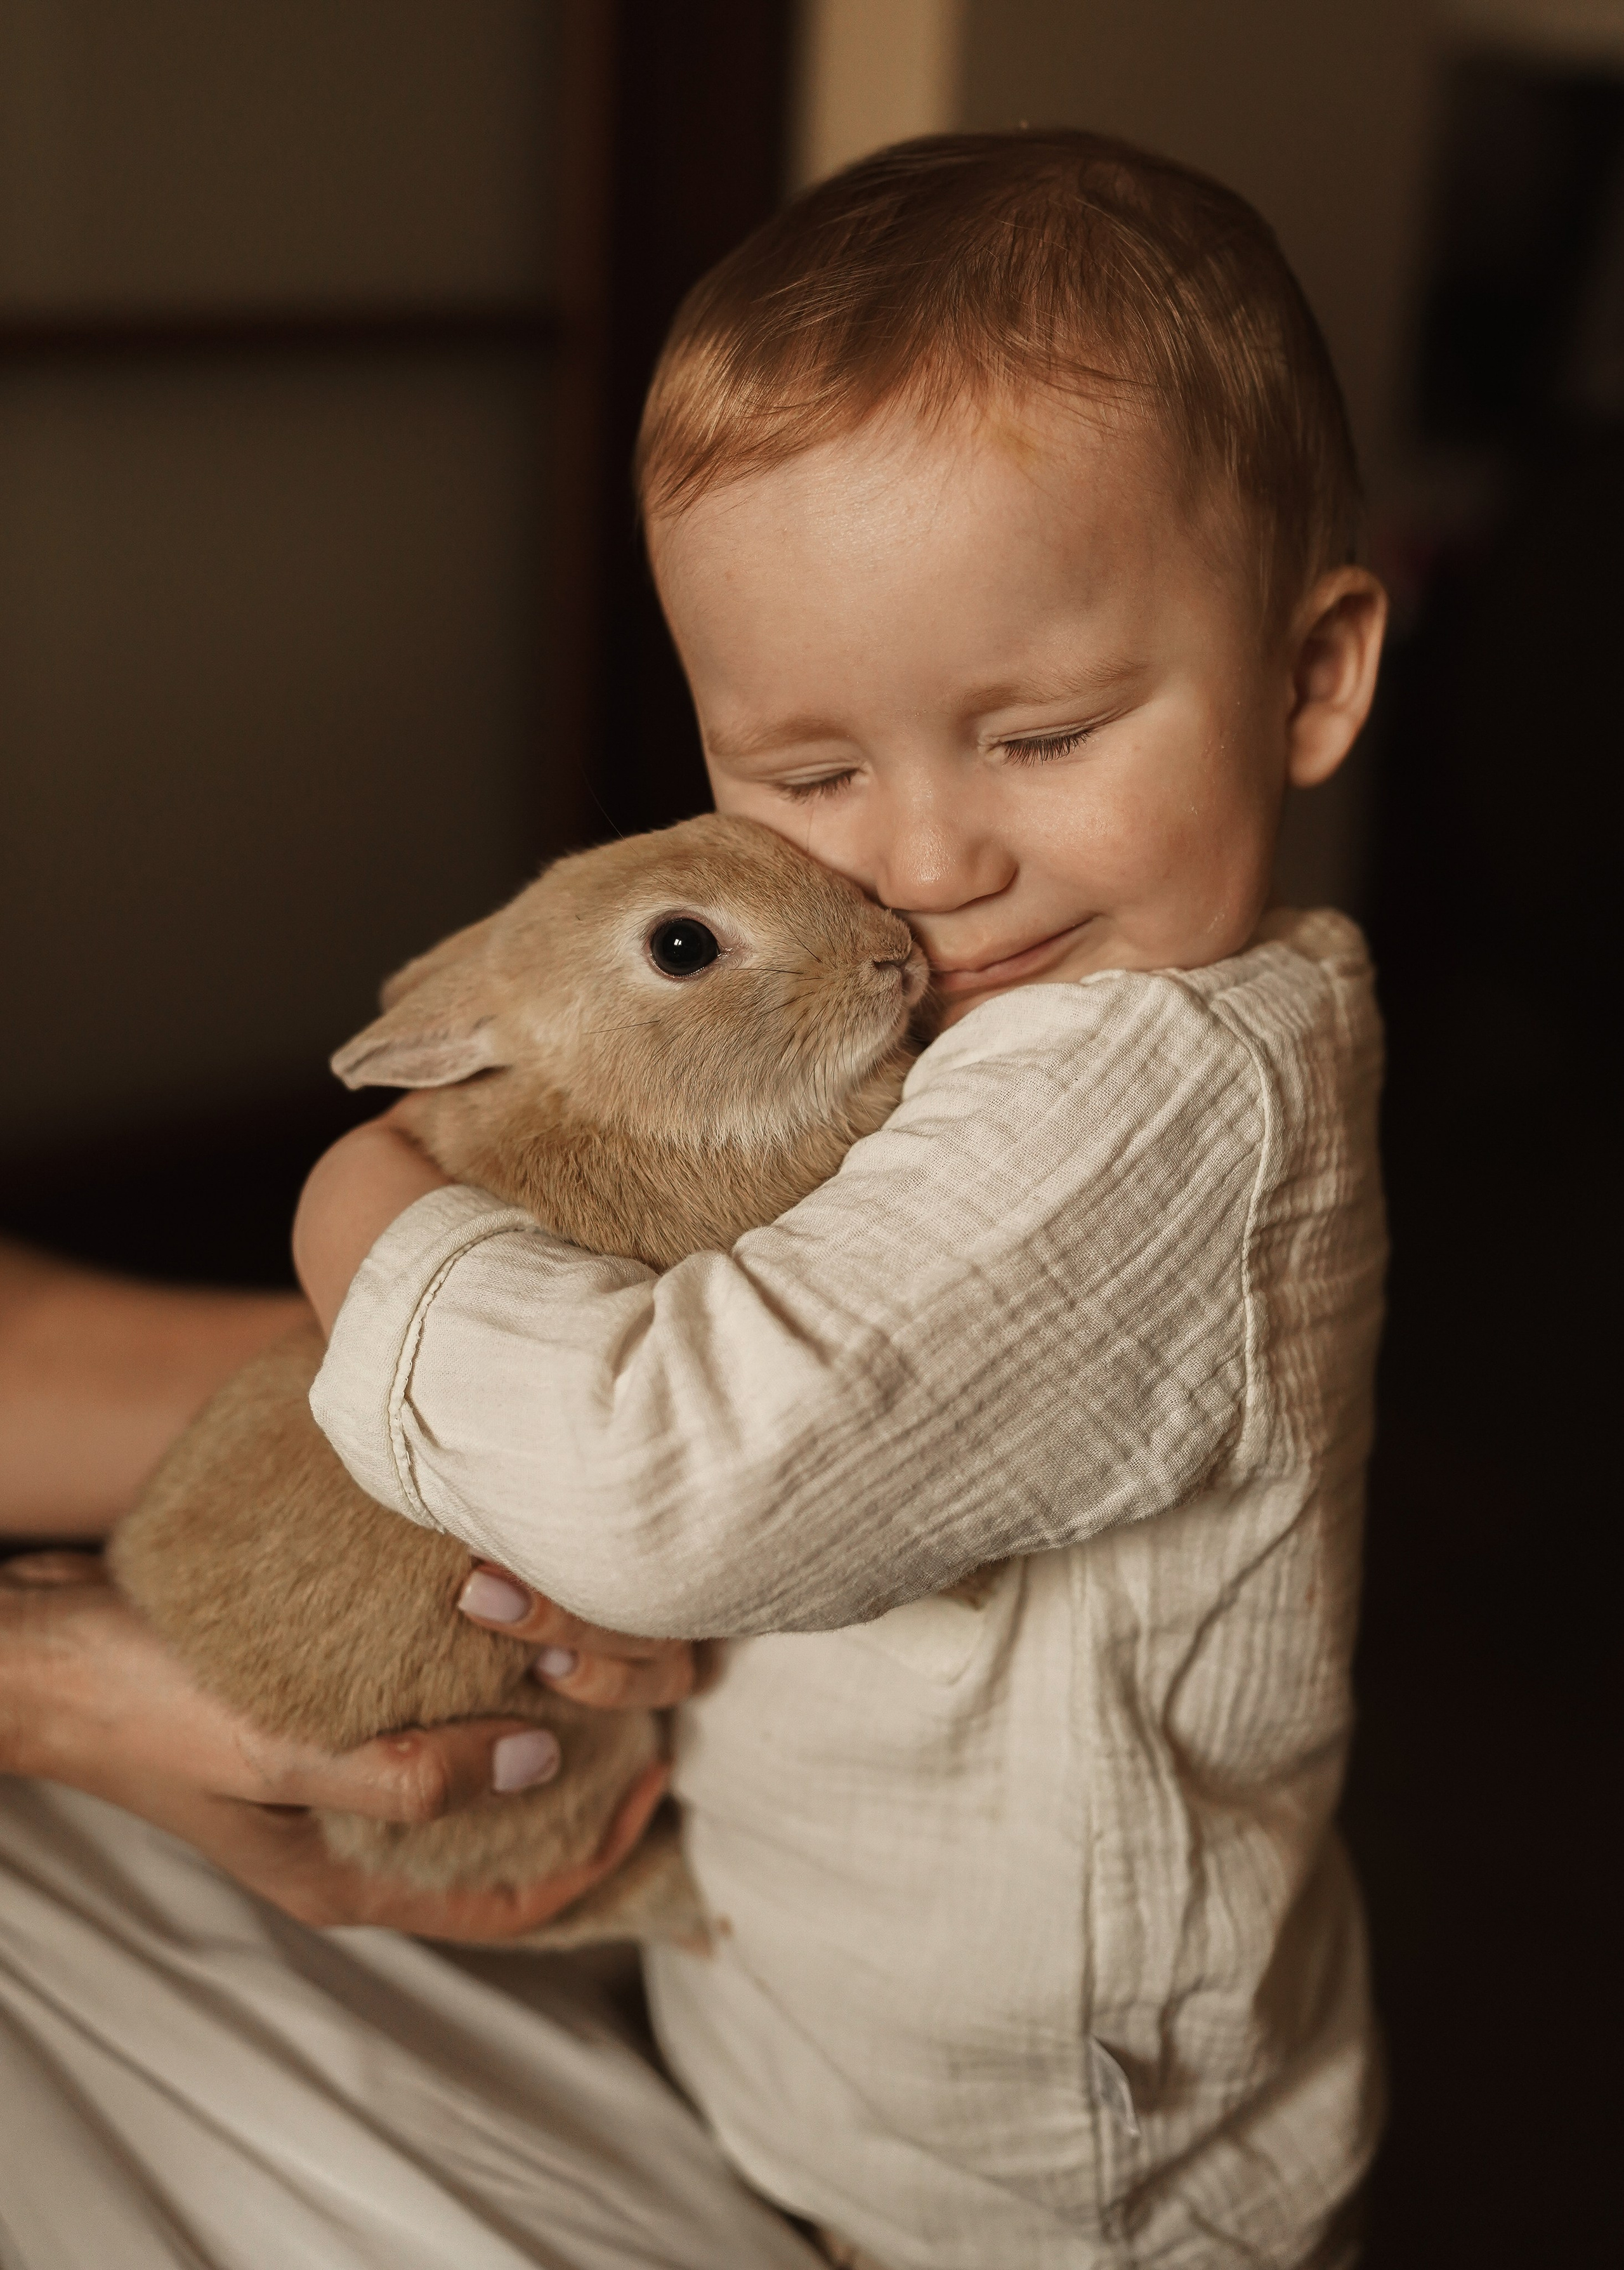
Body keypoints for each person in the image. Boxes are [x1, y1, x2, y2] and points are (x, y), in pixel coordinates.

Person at [1, 132, 1388, 2269]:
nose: (920, 869)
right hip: (819, 2043)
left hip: (1048, 2176)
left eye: (1039, 735)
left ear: (1311, 678)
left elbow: (677, 1489)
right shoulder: (1031, 1008)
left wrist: (367, 1217)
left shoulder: (1155, 1092)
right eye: (810, 775)